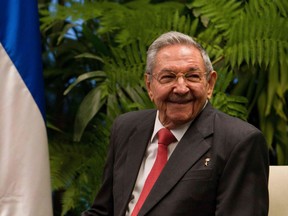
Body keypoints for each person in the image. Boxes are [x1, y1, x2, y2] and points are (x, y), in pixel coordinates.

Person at [82, 31, 269, 216]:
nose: (181, 88)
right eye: (168, 77)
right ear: (149, 86)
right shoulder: (126, 128)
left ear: (210, 84)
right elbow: (102, 211)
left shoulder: (239, 142)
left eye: (192, 76)